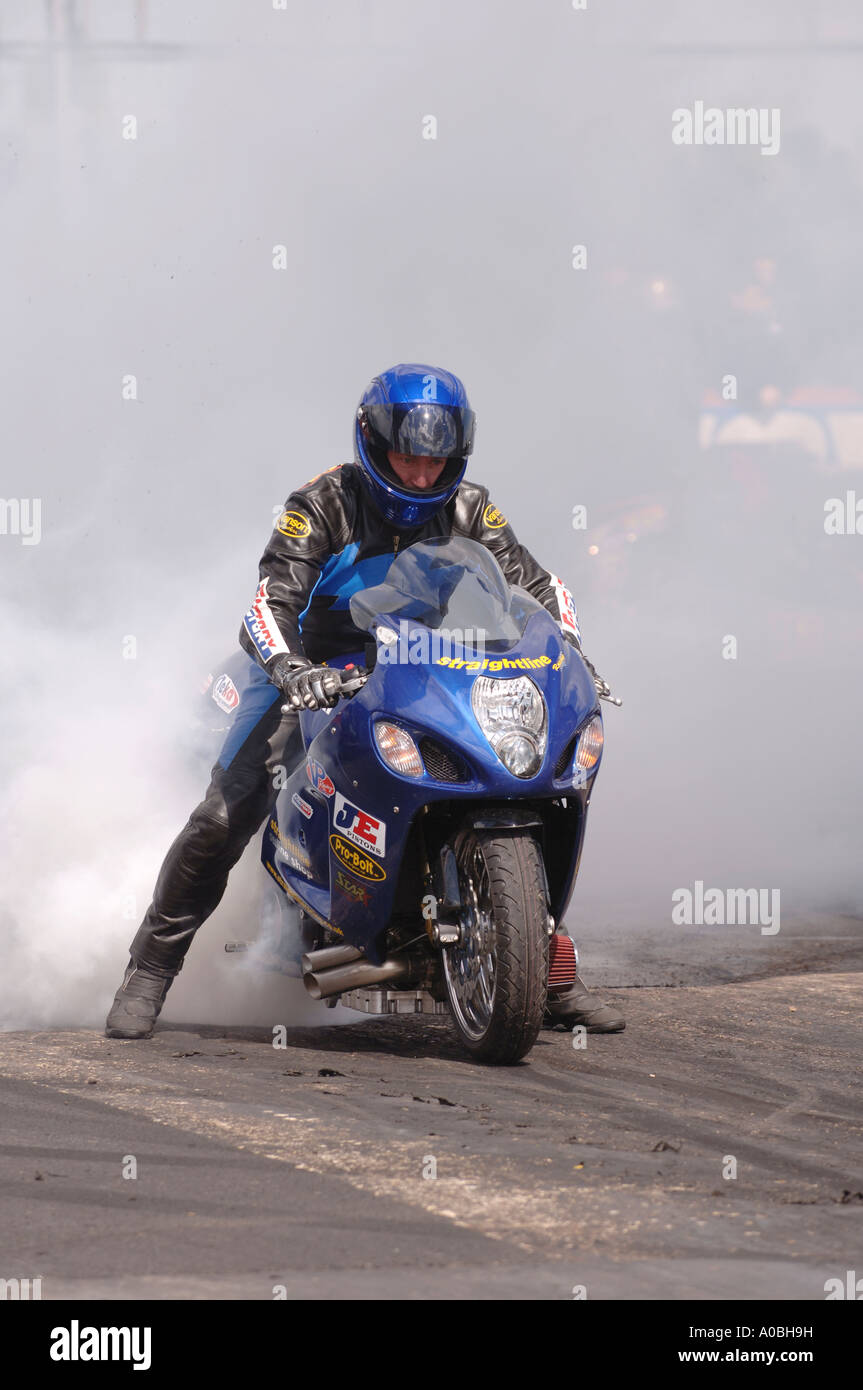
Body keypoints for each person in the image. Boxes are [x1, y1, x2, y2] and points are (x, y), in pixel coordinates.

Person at [106, 364, 625, 1039]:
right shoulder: (319, 505)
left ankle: (543, 974)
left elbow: (539, 589)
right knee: (225, 810)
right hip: (310, 665)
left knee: (521, 778)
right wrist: (294, 670)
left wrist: (570, 653)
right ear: (374, 446)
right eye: (408, 457)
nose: (419, 476)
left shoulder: (470, 507)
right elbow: (269, 606)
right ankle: (150, 969)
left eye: (434, 460)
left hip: (420, 663)